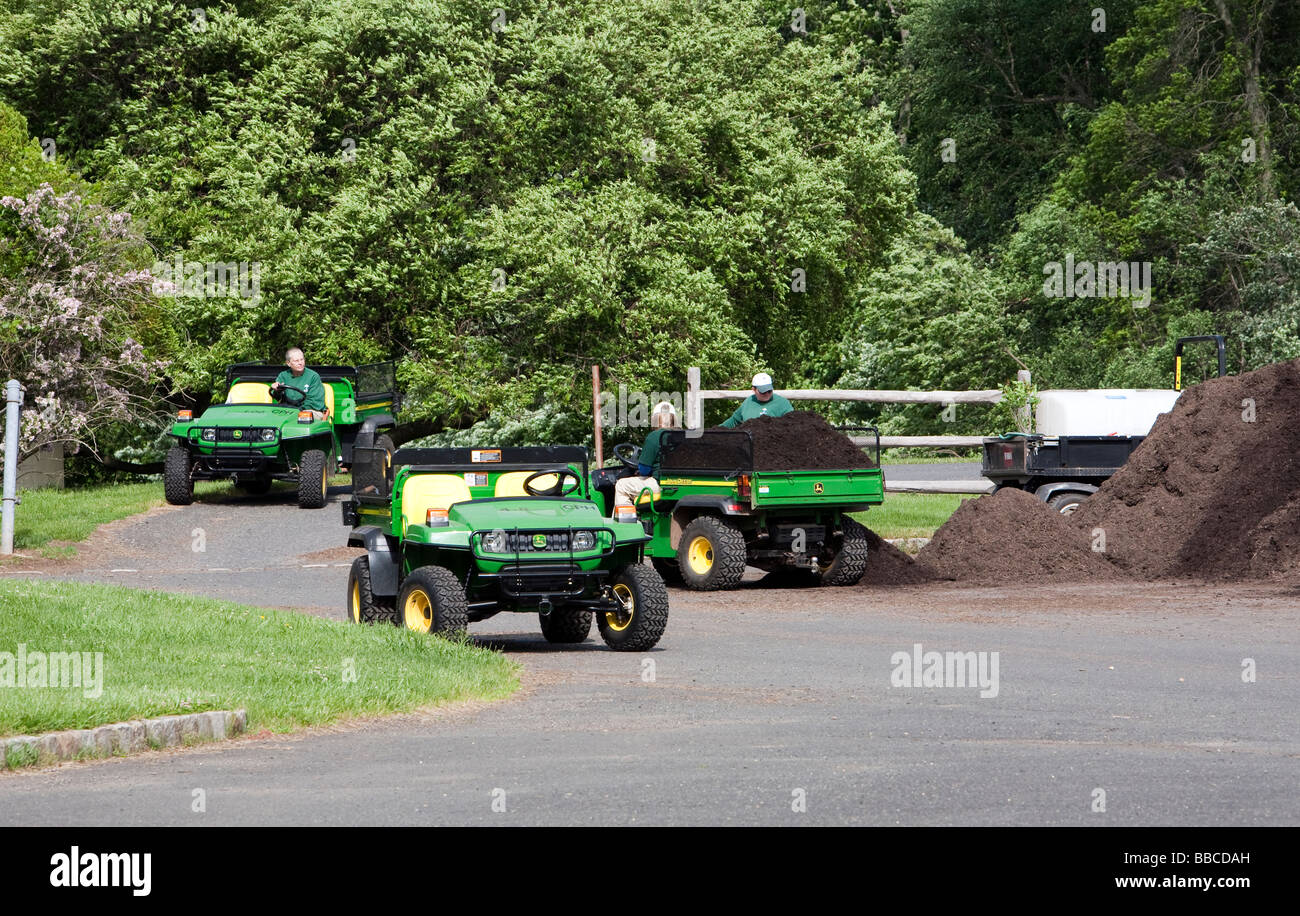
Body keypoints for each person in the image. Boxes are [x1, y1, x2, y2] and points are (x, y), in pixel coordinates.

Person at [614, 402, 679, 507]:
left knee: (621, 485)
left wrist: (639, 471)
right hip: (679, 483)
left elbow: (644, 469)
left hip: (660, 484)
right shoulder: (681, 436)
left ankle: (627, 521)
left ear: (655, 419)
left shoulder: (654, 437)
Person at [270, 347, 328, 420]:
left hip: (310, 411)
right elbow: (277, 397)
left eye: (302, 359)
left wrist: (297, 411)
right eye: (296, 361)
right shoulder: (283, 376)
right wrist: (276, 389)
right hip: (288, 411)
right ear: (288, 363)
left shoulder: (313, 376)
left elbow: (314, 402)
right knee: (272, 419)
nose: (300, 363)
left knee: (303, 417)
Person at [719, 372, 793, 427]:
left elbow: (794, 423)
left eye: (769, 390)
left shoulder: (783, 404)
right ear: (754, 390)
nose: (767, 394)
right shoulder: (748, 402)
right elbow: (733, 421)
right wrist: (714, 431)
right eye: (763, 392)